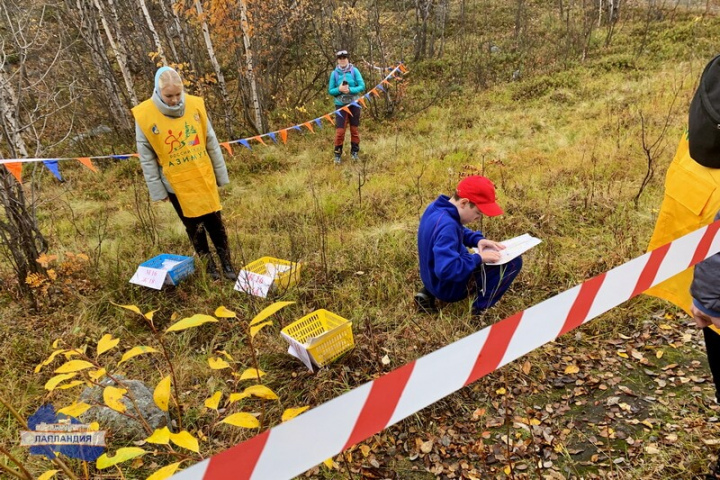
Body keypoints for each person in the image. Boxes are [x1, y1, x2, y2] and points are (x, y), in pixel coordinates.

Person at [132, 66, 235, 281]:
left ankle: (227, 265)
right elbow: (147, 157)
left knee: (215, 224)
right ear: (158, 92)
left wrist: (220, 175)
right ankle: (211, 269)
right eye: (169, 95)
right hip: (176, 184)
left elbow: (211, 142)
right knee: (195, 228)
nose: (174, 99)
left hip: (202, 177)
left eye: (178, 94)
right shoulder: (144, 115)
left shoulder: (195, 106)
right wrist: (158, 190)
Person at [415, 175, 522, 314]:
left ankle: (427, 292)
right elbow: (447, 270)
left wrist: (477, 240)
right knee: (514, 262)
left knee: (465, 254)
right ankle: (480, 311)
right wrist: (479, 258)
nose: (478, 218)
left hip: (430, 279)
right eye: (478, 213)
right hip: (447, 288)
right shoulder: (448, 226)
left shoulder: (436, 208)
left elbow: (456, 230)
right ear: (464, 203)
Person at [328, 50, 365, 165]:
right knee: (340, 132)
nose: (342, 59)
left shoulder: (354, 71)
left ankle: (354, 153)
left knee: (354, 130)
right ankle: (337, 155)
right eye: (340, 58)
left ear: (348, 58)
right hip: (340, 105)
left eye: (344, 57)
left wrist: (351, 90)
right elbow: (330, 91)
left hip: (354, 104)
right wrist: (339, 90)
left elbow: (362, 86)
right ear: (338, 60)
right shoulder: (334, 74)